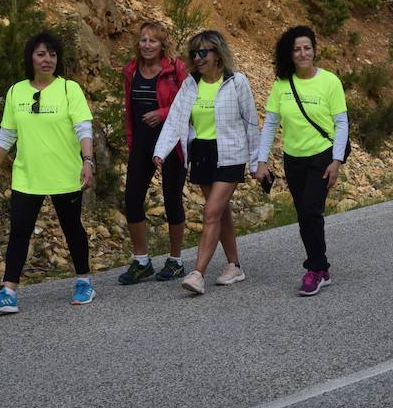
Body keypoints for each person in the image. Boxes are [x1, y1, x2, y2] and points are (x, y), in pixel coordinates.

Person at [0, 31, 95, 314]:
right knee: (19, 231)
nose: (47, 60)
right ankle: (8, 291)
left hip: (65, 175)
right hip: (26, 176)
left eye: (52, 55)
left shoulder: (70, 89)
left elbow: (83, 128)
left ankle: (84, 281)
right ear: (30, 57)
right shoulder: (16, 91)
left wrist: (88, 160)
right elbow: (6, 134)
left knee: (72, 230)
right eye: (41, 54)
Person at [153, 30, 260, 295]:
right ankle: (234, 265)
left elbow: (251, 122)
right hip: (201, 153)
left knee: (211, 212)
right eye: (194, 54)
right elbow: (176, 119)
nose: (198, 58)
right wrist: (161, 151)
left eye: (203, 53)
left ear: (217, 54)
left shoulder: (237, 82)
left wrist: (258, 161)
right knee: (221, 212)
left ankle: (197, 273)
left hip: (231, 153)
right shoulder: (191, 84)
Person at [253, 26, 349, 297]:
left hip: (322, 156)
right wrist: (262, 162)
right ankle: (322, 266)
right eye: (297, 49)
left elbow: (341, 123)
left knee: (310, 211)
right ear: (290, 53)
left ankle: (315, 269)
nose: (303, 53)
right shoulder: (281, 84)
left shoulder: (330, 82)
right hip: (293, 159)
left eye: (307, 48)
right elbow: (271, 124)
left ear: (315, 50)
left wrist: (336, 160)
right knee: (304, 215)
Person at [118, 23, 192, 285]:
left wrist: (161, 114)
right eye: (143, 40)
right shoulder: (131, 70)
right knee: (132, 198)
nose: (147, 45)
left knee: (172, 197)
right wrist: (131, 140)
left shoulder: (176, 69)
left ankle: (175, 260)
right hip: (142, 141)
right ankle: (141, 260)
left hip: (172, 140)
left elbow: (188, 103)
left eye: (153, 41)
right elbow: (129, 108)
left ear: (163, 45)